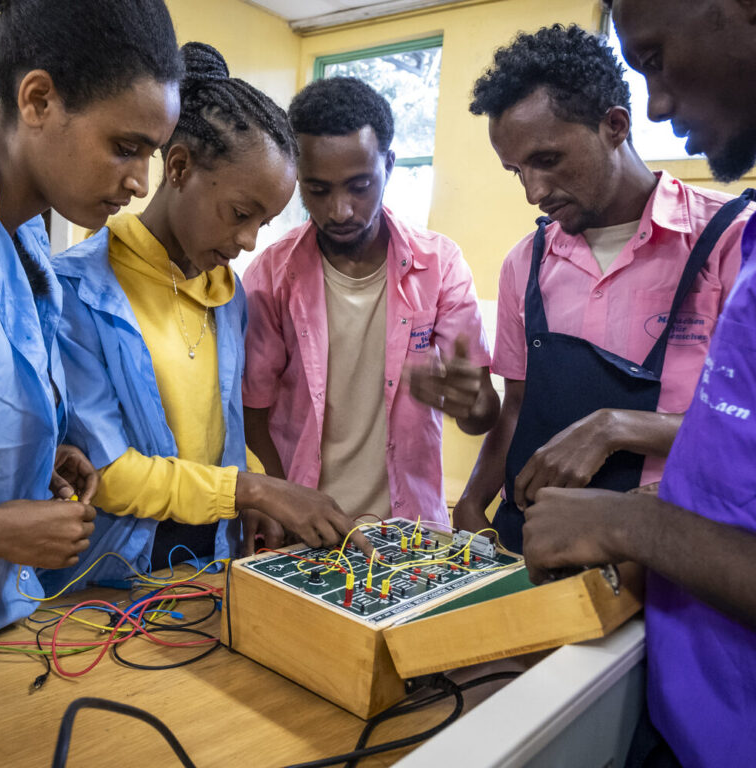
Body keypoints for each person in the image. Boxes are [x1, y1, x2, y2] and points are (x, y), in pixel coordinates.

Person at [41, 44, 371, 596]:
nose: (246, 242)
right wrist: (255, 491)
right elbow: (111, 474)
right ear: (179, 167)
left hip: (205, 567)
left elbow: (219, 435)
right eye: (241, 214)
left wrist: (251, 486)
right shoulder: (77, 290)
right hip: (104, 581)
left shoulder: (227, 296)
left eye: (262, 225)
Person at [522, 2, 756, 766]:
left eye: (654, 56)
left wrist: (632, 522)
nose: (657, 101)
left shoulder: (720, 237)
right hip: (682, 699)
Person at [454, 24, 751, 553]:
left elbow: (744, 428)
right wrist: (474, 499)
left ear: (614, 126)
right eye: (515, 171)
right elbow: (519, 405)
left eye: (547, 160)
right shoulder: (526, 261)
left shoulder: (729, 242)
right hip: (536, 540)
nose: (534, 192)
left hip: (675, 547)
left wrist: (616, 426)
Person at [0, 0, 182, 634]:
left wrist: (35, 455)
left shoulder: (27, 242)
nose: (140, 183)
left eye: (151, 153)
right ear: (38, 101)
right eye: (127, 148)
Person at [241, 76, 495, 545]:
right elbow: (252, 413)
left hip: (412, 530)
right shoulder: (270, 277)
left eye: (360, 186)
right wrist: (281, 503)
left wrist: (470, 402)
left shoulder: (440, 265)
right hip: (306, 532)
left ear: (389, 166)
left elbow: (481, 414)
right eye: (317, 190)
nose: (340, 210)